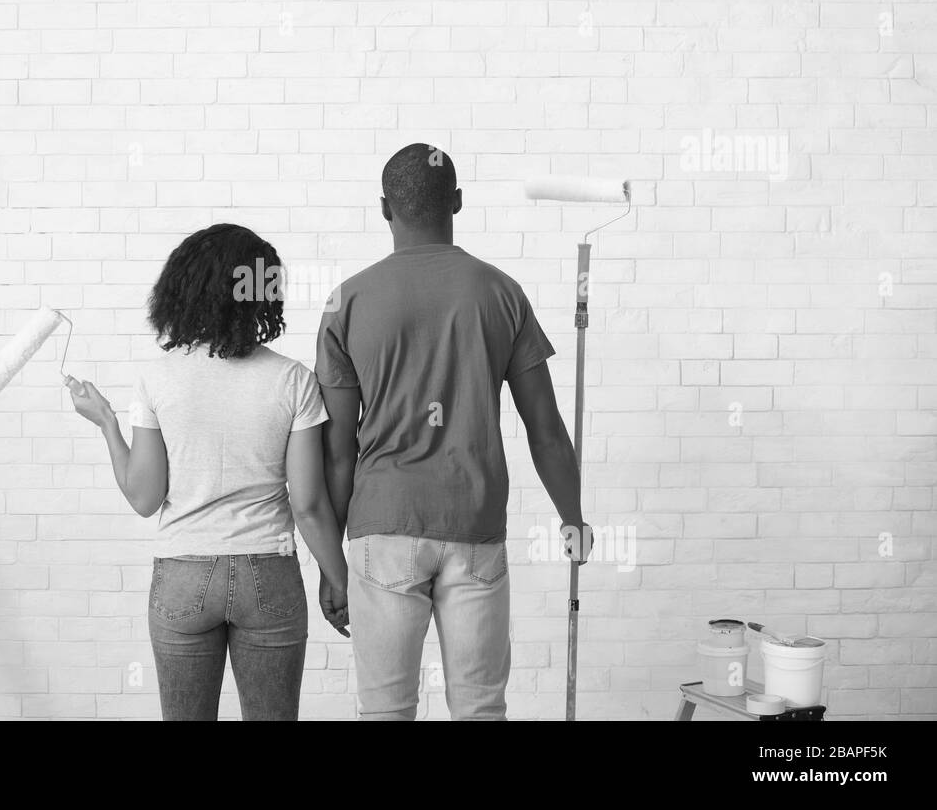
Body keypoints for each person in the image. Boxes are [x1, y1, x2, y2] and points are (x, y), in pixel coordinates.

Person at [315, 143, 593, 720]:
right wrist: (573, 519)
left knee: (385, 711)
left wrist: (333, 565)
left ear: (385, 209)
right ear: (458, 203)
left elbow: (338, 451)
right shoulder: (500, 292)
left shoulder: (346, 301)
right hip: (475, 527)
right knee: (481, 710)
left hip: (381, 530)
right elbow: (545, 430)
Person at [68, 223, 349, 721]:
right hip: (270, 573)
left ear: (183, 289)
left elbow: (145, 498)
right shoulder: (294, 381)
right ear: (261, 295)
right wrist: (339, 578)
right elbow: (307, 504)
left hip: (183, 574)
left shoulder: (156, 380)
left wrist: (107, 423)